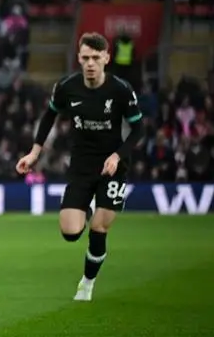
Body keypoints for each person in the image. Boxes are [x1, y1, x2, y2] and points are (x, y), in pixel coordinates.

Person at [15, 33, 144, 302]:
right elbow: (50, 114)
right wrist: (34, 152)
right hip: (82, 165)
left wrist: (118, 156)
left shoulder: (120, 90)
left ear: (106, 59)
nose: (90, 63)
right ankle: (86, 205)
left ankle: (87, 282)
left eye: (96, 58)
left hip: (112, 166)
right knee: (71, 232)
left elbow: (138, 129)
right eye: (85, 58)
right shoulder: (66, 87)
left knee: (99, 228)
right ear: (79, 58)